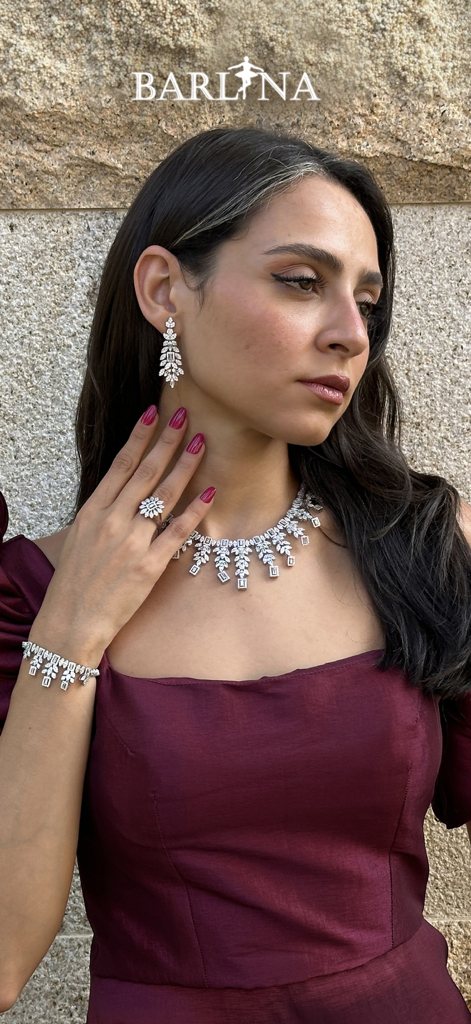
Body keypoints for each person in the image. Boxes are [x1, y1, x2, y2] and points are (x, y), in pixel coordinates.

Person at [0, 126, 471, 1024]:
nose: (350, 335)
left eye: (367, 301)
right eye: (301, 282)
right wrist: (68, 635)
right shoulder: (26, 597)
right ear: (164, 289)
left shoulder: (429, 548)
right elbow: (3, 960)